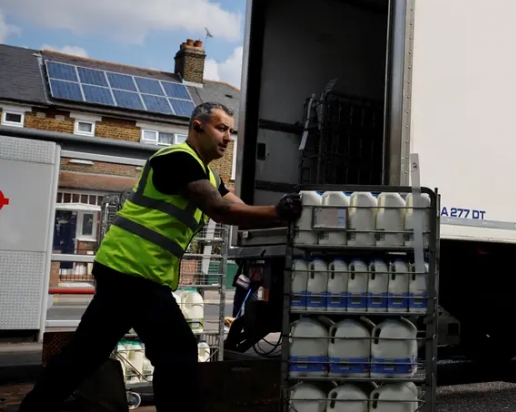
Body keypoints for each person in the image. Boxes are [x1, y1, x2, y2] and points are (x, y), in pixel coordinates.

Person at [19, 102, 304, 412]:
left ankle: (34, 407)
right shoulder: (178, 159)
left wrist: (284, 213)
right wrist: (279, 212)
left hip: (130, 271)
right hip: (132, 270)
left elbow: (243, 214)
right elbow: (220, 210)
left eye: (230, 132)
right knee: (176, 351)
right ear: (197, 127)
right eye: (221, 128)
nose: (227, 138)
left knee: (87, 352)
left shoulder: (208, 174)